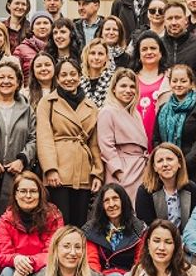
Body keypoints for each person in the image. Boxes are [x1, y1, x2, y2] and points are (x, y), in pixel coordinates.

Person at [37, 58, 103, 225]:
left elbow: (94, 143)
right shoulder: (48, 102)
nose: (69, 79)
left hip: (83, 171)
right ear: (57, 78)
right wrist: (51, 169)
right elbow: (44, 137)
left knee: (80, 223)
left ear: (80, 77)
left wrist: (97, 173)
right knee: (59, 223)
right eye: (64, 75)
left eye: (73, 74)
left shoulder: (91, 106)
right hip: (59, 171)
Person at [0, 60, 37, 230]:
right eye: (1, 77)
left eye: (11, 78)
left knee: (13, 219)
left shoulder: (26, 109)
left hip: (16, 172)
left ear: (18, 82)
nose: (6, 81)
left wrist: (22, 159)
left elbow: (34, 138)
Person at [154, 64, 196, 189]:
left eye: (183, 81)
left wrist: (182, 163)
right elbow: (157, 139)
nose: (178, 84)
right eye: (174, 81)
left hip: (194, 170)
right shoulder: (163, 109)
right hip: (167, 171)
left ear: (191, 83)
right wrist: (166, 163)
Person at [97, 69, 150, 203]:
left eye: (132, 87)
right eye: (123, 86)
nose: (128, 90)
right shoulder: (107, 111)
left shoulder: (136, 114)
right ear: (114, 89)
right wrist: (119, 172)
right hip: (123, 170)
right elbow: (106, 146)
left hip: (140, 168)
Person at [134, 143, 196, 231]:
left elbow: (195, 222)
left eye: (169, 159)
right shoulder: (145, 191)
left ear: (179, 163)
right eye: (160, 161)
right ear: (154, 167)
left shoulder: (191, 188)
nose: (165, 164)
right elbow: (146, 225)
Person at [134, 31, 170, 145]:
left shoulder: (171, 77)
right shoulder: (130, 78)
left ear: (161, 52)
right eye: (144, 49)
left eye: (153, 48)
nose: (149, 52)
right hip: (135, 135)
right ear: (138, 55)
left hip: (163, 136)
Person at [162, 2, 196, 77]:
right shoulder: (158, 46)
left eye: (177, 18)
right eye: (169, 18)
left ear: (186, 20)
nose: (174, 22)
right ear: (164, 22)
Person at [15, 12, 53, 83]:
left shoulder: (56, 48)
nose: (42, 26)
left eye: (45, 23)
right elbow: (15, 75)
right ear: (32, 28)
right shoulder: (21, 49)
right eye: (38, 23)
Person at [79, 38, 115, 108]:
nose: (96, 57)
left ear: (106, 58)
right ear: (87, 56)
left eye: (100, 54)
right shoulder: (79, 81)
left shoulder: (113, 80)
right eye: (92, 53)